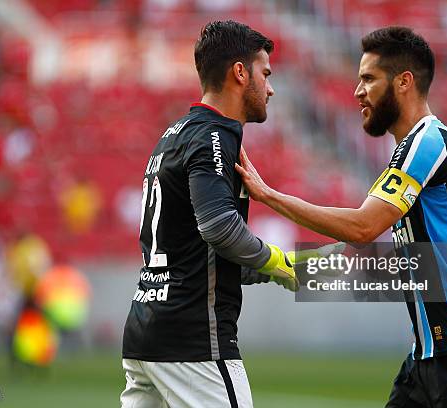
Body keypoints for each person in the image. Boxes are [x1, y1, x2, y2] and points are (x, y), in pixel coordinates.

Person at [236, 26, 447, 407]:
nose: (357, 92)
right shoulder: (419, 148)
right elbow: (390, 252)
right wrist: (289, 268)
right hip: (431, 354)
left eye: (369, 79)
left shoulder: (426, 142)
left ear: (404, 82)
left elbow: (363, 226)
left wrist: (269, 196)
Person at [120, 20, 302, 408]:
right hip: (194, 341)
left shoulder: (175, 134)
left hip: (145, 332)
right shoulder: (215, 135)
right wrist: (277, 260)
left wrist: (272, 270)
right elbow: (218, 228)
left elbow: (196, 248)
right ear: (240, 72)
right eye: (265, 74)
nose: (270, 88)